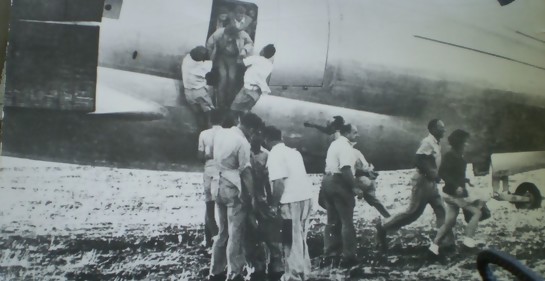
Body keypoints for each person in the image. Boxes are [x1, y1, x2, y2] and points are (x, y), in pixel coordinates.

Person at [376, 119, 453, 251]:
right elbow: (418, 160)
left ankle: (447, 242)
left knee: (441, 209)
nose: (444, 130)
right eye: (441, 128)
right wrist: (431, 173)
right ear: (433, 129)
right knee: (412, 212)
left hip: (430, 182)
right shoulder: (427, 142)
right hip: (423, 181)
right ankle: (383, 226)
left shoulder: (435, 142)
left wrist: (436, 175)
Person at [208, 113, 263, 281]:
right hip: (232, 187)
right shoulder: (242, 142)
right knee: (235, 233)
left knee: (222, 231)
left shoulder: (220, 134)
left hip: (217, 184)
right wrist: (252, 195)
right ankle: (234, 273)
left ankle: (215, 271)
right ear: (251, 129)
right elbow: (245, 171)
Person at [264, 126, 314, 281]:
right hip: (305, 198)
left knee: (290, 240)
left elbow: (278, 183)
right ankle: (304, 271)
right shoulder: (294, 152)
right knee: (300, 237)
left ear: (267, 140)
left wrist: (273, 204)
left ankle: (293, 275)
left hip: (290, 201)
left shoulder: (274, 155)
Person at [429, 129, 486, 255]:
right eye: (465, 142)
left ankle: (433, 247)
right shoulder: (450, 156)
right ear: (459, 143)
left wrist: (465, 180)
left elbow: (454, 174)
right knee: (477, 213)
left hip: (452, 194)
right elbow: (443, 173)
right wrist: (455, 186)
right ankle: (468, 243)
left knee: (449, 222)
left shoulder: (456, 155)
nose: (467, 144)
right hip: (454, 194)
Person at [244, 126, 284, 281]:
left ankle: (276, 265)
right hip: (248, 198)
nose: (256, 138)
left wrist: (271, 201)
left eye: (259, 135)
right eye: (254, 133)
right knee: (251, 234)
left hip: (264, 199)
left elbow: (270, 180)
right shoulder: (244, 151)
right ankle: (256, 266)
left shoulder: (267, 155)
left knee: (271, 233)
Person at [321, 123, 360, 268]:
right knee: (346, 221)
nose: (357, 135)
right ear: (347, 133)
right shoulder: (346, 147)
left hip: (327, 181)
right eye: (355, 132)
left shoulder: (334, 144)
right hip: (339, 182)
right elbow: (345, 168)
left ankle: (330, 253)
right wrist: (355, 187)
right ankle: (349, 255)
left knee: (332, 220)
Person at [207, 25, 253, 109]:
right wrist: (209, 58)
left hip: (234, 59)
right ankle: (220, 104)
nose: (230, 39)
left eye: (232, 37)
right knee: (223, 78)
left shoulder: (242, 34)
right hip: (222, 57)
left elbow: (250, 43)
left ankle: (229, 102)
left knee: (232, 79)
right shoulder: (219, 33)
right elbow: (209, 44)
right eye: (228, 36)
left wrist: (244, 50)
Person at [197, 111, 222, 248]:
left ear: (209, 120)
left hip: (209, 170)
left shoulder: (204, 134)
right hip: (223, 171)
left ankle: (213, 238)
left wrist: (207, 156)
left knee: (209, 206)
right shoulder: (227, 134)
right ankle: (214, 238)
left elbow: (200, 156)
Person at [230, 44, 276, 115]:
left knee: (234, 108)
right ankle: (242, 123)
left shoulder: (256, 58)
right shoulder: (270, 66)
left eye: (262, 49)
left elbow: (240, 62)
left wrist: (243, 52)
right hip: (257, 92)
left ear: (263, 52)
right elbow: (267, 80)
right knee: (246, 110)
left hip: (247, 89)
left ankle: (233, 124)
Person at [181, 46, 214, 129]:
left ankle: (200, 130)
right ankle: (210, 130)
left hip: (188, 92)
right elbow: (210, 63)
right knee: (209, 113)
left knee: (198, 114)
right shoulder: (204, 67)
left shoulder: (186, 60)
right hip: (199, 92)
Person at [352, 148, 391, 218]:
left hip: (359, 179)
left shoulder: (346, 152)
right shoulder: (357, 151)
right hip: (367, 179)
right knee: (375, 202)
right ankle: (389, 218)